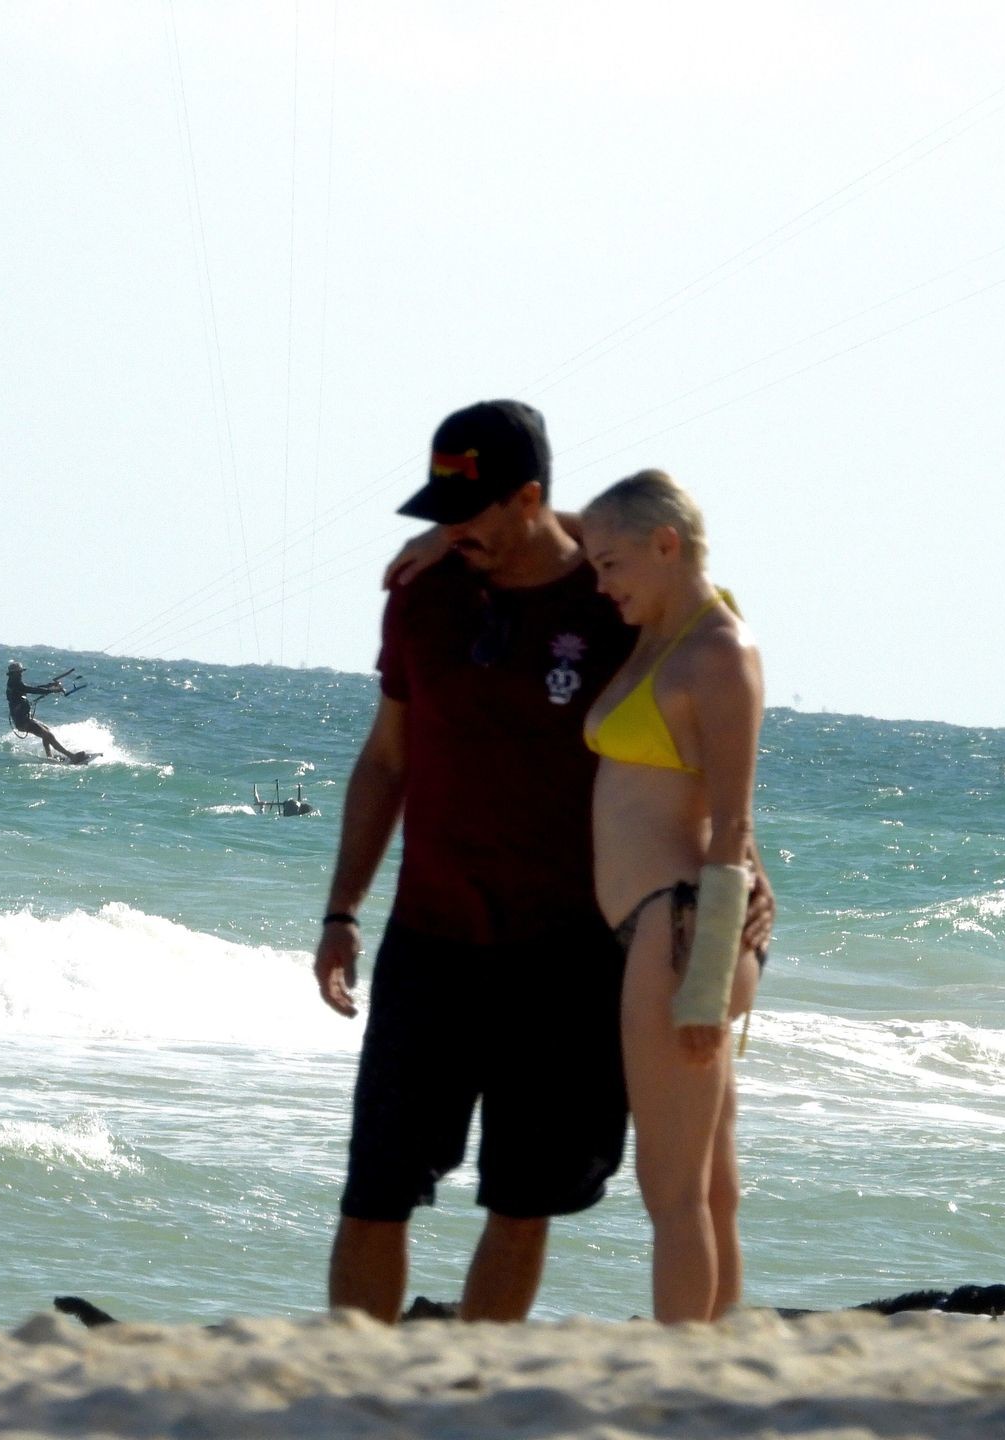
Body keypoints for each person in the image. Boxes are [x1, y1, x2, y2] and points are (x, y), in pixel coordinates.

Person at [314, 400, 771, 1324]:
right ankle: (351, 1375)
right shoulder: (426, 593)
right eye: (440, 513)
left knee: (529, 1202)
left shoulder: (614, 599)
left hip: (575, 952)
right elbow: (386, 760)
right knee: (375, 1190)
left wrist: (742, 872)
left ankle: (484, 1385)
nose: (453, 531)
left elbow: (712, 714)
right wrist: (341, 910)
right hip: (432, 936)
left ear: (529, 498)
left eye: (471, 511)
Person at [579, 469, 765, 1324]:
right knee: (711, 1183)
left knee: (674, 1191)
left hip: (682, 929)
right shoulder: (661, 631)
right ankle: (715, 1360)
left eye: (611, 564)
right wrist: (444, 536)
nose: (600, 583)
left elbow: (734, 820)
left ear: (666, 544)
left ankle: (678, 1370)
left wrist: (704, 986)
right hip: (665, 923)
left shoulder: (719, 652)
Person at [5, 661, 79, 762]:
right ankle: (72, 756)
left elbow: (33, 688)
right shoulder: (15, 684)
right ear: (13, 674)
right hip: (23, 722)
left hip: (25, 719)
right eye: (19, 672)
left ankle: (50, 757)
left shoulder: (15, 683)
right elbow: (31, 690)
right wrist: (52, 690)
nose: (21, 674)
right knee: (48, 735)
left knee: (47, 731)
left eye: (21, 672)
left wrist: (49, 686)